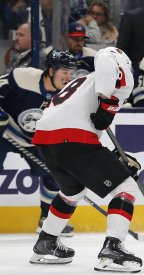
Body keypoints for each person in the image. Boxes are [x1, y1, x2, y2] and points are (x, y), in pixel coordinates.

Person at [28, 47, 142, 273]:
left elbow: (91, 122)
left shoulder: (77, 83)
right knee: (126, 187)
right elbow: (100, 121)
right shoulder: (117, 75)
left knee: (72, 192)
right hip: (73, 137)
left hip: (45, 140)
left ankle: (46, 242)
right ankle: (113, 249)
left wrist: (110, 157)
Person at [0, 49, 77, 236]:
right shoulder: (22, 77)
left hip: (34, 139)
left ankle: (47, 220)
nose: (68, 77)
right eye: (64, 72)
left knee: (55, 175)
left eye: (71, 73)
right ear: (51, 71)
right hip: (5, 130)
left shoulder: (69, 96)